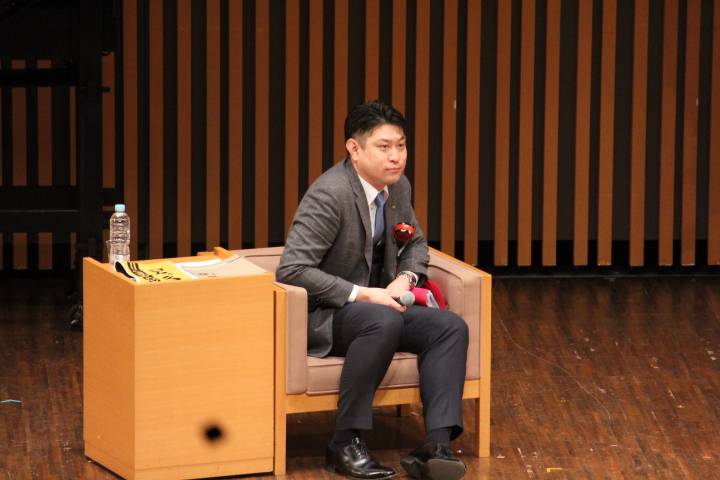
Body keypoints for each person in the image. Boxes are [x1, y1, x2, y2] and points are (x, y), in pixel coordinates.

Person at [276, 101, 468, 480]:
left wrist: (406, 279)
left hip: (379, 310)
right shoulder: (330, 194)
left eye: (401, 145)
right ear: (355, 149)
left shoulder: (397, 187)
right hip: (324, 314)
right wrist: (364, 294)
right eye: (384, 147)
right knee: (382, 320)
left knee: (450, 327)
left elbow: (415, 243)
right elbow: (292, 269)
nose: (396, 156)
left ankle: (435, 445)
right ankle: (344, 442)